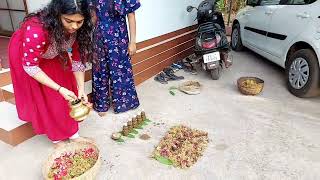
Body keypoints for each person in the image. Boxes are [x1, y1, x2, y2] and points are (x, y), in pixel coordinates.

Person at [8, 0, 94, 147]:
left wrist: (81, 89)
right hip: (31, 58)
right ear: (57, 15)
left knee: (69, 87)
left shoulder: (78, 29)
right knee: (48, 94)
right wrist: (59, 89)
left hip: (54, 51)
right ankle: (56, 138)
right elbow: (31, 67)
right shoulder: (36, 30)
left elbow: (78, 61)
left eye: (79, 22)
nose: (74, 26)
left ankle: (73, 134)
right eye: (69, 21)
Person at [89, 0, 141, 117]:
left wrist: (133, 42)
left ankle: (124, 103)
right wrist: (87, 38)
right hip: (98, 37)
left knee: (120, 71)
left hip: (119, 36)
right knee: (99, 70)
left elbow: (131, 15)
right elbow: (93, 17)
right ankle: (101, 104)